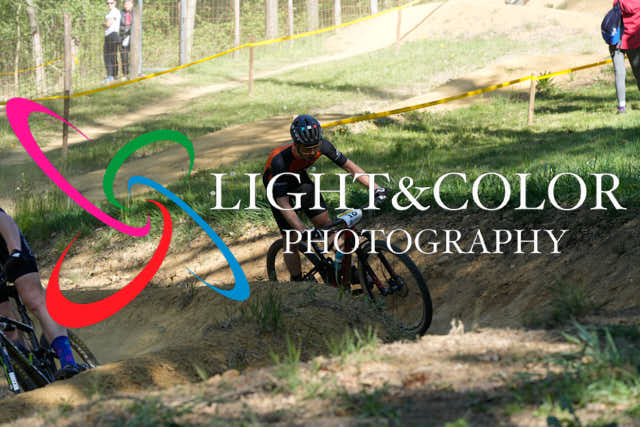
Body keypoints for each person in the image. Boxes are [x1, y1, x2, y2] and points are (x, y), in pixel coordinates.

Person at [262, 114, 388, 282]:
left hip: (299, 179)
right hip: (276, 185)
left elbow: (350, 167)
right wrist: (302, 229)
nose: (312, 152)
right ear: (296, 145)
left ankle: (348, 270)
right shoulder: (279, 160)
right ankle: (297, 281)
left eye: (315, 147)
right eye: (307, 149)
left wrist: (376, 188)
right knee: (291, 238)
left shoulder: (323, 146)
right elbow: (283, 203)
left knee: (326, 225)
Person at [0, 208, 81, 380]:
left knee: (32, 297)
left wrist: (15, 250)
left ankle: (68, 361)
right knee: (5, 322)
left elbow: (4, 221)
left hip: (5, 242)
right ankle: (29, 372)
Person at [611, 0, 640, 114]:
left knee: (619, 73)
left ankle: (621, 106)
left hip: (617, 41)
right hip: (635, 41)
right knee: (638, 72)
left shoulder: (619, 1)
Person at [103, 0, 121, 83]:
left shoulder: (115, 12)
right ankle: (111, 75)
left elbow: (108, 24)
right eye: (108, 3)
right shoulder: (109, 13)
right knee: (108, 56)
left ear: (115, 3)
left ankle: (112, 75)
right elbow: (107, 23)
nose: (109, 4)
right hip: (108, 35)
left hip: (113, 34)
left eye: (111, 3)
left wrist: (104, 23)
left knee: (111, 56)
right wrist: (105, 23)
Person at [120, 0, 133, 78]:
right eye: (125, 4)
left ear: (132, 4)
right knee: (124, 56)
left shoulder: (135, 13)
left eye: (128, 4)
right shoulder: (120, 13)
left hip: (133, 37)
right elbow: (119, 25)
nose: (126, 5)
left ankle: (136, 72)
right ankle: (125, 74)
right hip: (123, 36)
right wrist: (125, 29)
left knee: (134, 54)